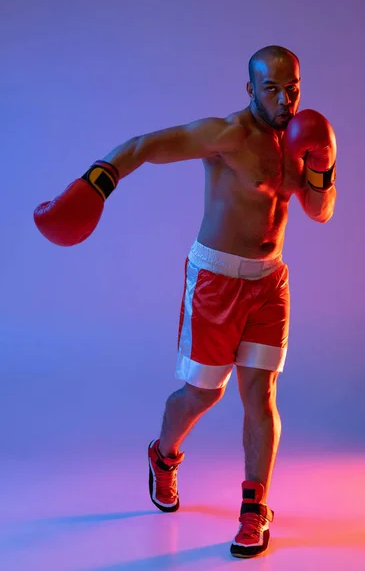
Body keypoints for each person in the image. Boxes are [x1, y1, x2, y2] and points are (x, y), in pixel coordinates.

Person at [34, 45, 337, 558]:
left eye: (293, 89)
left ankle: (254, 509)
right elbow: (147, 145)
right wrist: (98, 182)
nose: (285, 100)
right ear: (250, 90)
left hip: (269, 284)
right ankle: (164, 455)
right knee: (203, 394)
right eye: (272, 90)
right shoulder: (227, 136)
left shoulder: (300, 138)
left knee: (260, 396)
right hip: (216, 281)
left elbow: (319, 211)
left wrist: (321, 167)